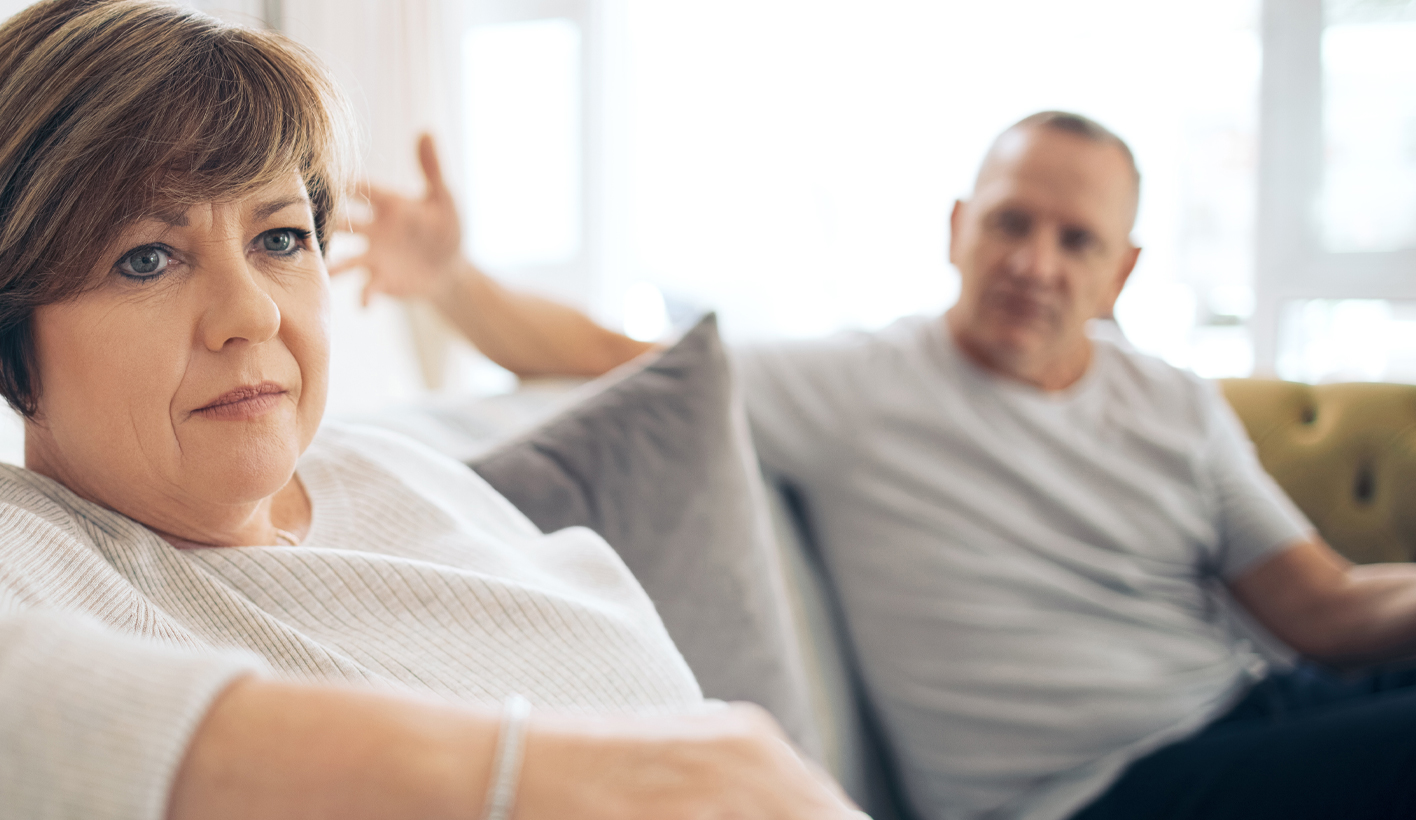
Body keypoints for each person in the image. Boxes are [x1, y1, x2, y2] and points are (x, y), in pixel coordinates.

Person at [0, 4, 868, 820]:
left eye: (280, 237)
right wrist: (517, 775)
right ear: (1, 324)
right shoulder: (20, 545)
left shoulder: (409, 472)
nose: (250, 316)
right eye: (147, 259)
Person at [337, 118, 1416, 820]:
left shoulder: (1175, 404)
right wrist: (451, 279)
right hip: (1104, 789)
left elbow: (1321, 608)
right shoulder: (858, 384)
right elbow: (603, 361)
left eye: (1076, 240)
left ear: (1121, 270)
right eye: (1010, 223)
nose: (1036, 263)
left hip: (1260, 702)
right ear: (957, 229)